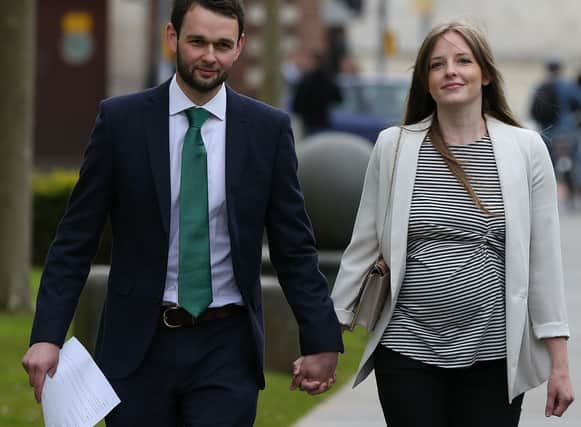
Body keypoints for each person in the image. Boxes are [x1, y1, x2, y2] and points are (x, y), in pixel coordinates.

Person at [22, 1, 342, 426]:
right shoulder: (121, 123)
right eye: (197, 41)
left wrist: (321, 337)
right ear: (172, 37)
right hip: (137, 346)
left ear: (240, 46)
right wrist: (47, 335)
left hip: (227, 346)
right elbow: (75, 240)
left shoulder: (267, 131)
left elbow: (294, 247)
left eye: (223, 44)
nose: (210, 56)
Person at [330, 21, 574, 426]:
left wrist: (560, 365)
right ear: (426, 82)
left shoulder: (525, 149)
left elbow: (544, 264)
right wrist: (329, 336)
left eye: (463, 60)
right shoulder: (395, 146)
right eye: (437, 65)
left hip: (493, 356)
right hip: (406, 351)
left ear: (486, 75)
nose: (451, 71)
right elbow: (363, 247)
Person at [531, 58, 581, 208]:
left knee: (547, 164)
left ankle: (546, 196)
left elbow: (532, 110)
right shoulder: (568, 86)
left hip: (546, 132)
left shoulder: (539, 86)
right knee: (578, 158)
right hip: (567, 130)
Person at [292, 50, 343, 137]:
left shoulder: (306, 80)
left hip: (309, 123)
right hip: (323, 121)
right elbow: (338, 98)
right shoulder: (328, 79)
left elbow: (297, 104)